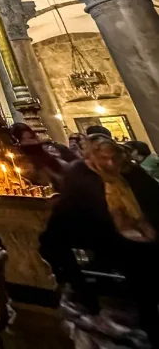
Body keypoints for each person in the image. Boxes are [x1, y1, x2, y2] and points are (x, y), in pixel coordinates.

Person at [40, 135, 159, 346]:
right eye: (103, 158)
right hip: (103, 236)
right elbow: (73, 207)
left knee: (143, 278)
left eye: (113, 157)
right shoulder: (81, 173)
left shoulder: (130, 172)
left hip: (139, 235)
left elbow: (152, 197)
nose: (110, 164)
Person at [9, 122, 65, 191]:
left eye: (33, 137)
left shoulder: (47, 156)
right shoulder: (20, 161)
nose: (35, 141)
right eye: (30, 138)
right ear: (18, 142)